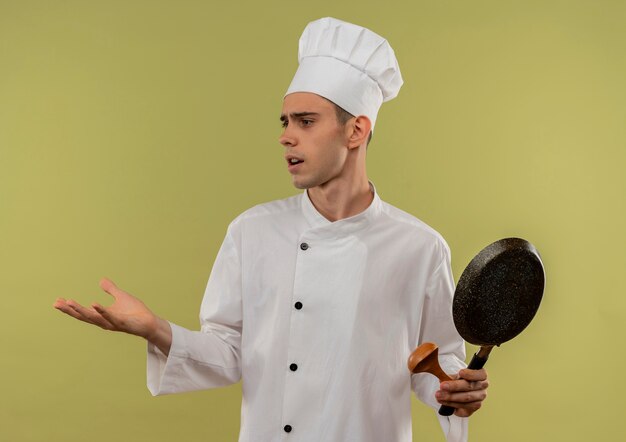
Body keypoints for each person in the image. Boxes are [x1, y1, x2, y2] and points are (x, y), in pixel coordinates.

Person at [54, 17, 488, 442]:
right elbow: (227, 354)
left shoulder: (419, 246)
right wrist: (156, 328)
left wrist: (455, 391)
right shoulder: (252, 232)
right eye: (285, 122)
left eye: (305, 121)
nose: (286, 136)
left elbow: (436, 363)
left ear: (356, 130)